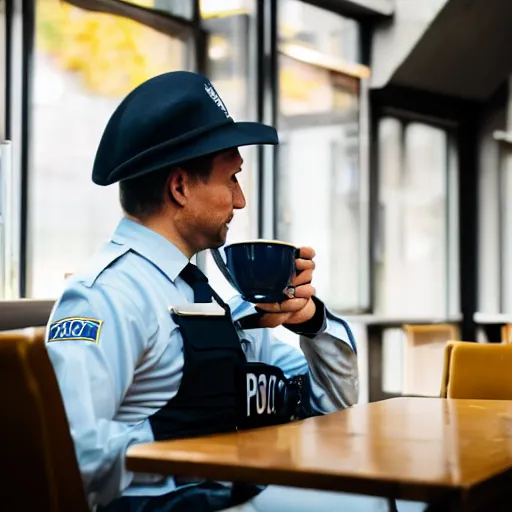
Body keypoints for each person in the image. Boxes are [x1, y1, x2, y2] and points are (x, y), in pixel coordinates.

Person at [45, 71, 425, 512]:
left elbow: (331, 405)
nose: (240, 200)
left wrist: (313, 323)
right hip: (174, 504)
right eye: (232, 179)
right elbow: (65, 454)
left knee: (400, 502)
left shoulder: (212, 300)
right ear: (181, 187)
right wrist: (172, 435)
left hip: (231, 493)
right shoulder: (106, 296)